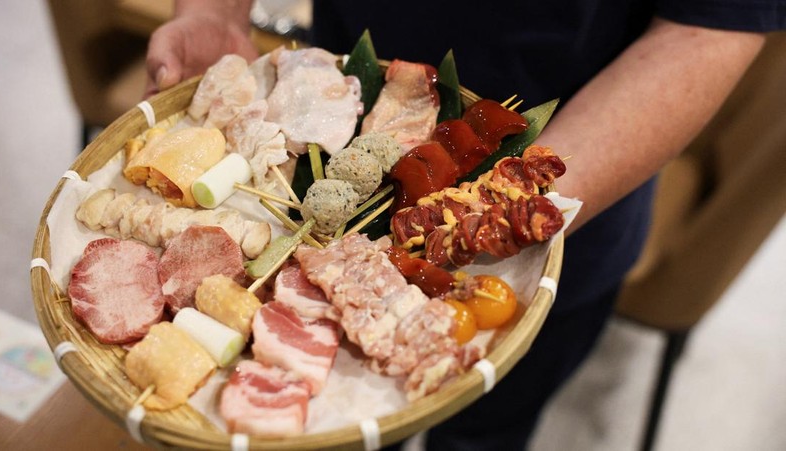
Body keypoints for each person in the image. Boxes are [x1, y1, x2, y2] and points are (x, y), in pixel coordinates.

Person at [146, 1, 783, 449]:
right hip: (329, 125)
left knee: (483, 433)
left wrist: (508, 209)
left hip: (569, 187)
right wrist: (216, 12)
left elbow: (706, 29)